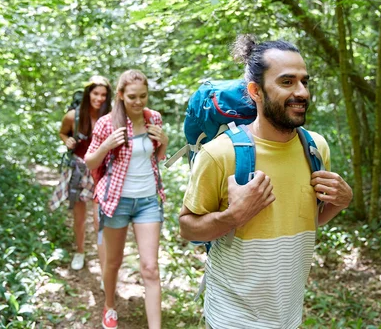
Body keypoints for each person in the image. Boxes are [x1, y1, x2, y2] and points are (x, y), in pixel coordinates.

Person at [179, 35, 353, 329]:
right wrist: (233, 216)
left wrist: (343, 201)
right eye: (287, 82)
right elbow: (187, 227)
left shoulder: (316, 148)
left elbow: (307, 220)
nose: (302, 92)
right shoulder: (220, 154)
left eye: (304, 82)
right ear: (255, 91)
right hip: (231, 318)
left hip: (287, 316)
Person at [85, 69, 168, 329]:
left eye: (143, 96)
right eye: (132, 96)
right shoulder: (107, 123)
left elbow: (157, 158)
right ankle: (109, 306)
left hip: (147, 202)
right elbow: (90, 162)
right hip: (115, 201)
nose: (138, 101)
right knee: (113, 262)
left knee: (150, 268)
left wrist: (164, 142)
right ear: (120, 96)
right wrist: (106, 145)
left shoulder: (153, 117)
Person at [52, 76, 113, 273]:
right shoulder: (73, 116)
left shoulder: (111, 116)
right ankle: (80, 251)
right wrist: (66, 140)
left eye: (104, 94)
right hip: (78, 169)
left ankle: (105, 268)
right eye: (96, 93)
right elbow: (63, 132)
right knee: (79, 218)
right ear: (88, 94)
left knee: (99, 220)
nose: (100, 98)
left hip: (102, 171)